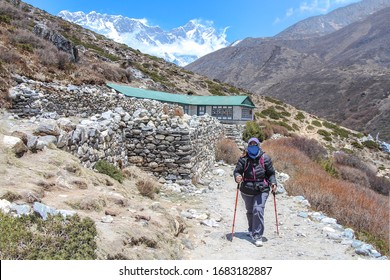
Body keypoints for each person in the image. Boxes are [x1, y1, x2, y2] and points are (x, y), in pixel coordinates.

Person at [233, 137, 277, 247]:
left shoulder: (265, 158)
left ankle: (257, 236)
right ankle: (251, 229)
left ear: (258, 145)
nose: (253, 146)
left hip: (262, 189)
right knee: (250, 211)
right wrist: (237, 176)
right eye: (251, 144)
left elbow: (271, 173)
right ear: (248, 146)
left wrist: (273, 183)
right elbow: (237, 171)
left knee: (258, 209)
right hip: (247, 189)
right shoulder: (244, 159)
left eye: (255, 144)